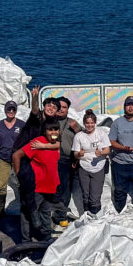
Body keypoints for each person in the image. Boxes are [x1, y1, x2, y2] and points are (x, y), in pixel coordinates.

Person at [14, 120, 62, 241]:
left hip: (51, 186)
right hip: (37, 186)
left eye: (56, 129)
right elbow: (16, 155)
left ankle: (46, 236)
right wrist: (19, 174)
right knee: (28, 212)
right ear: (45, 132)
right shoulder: (38, 142)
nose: (53, 132)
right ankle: (25, 240)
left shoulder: (55, 144)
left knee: (45, 212)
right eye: (50, 130)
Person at [72, 110, 111, 214]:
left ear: (95, 123)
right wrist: (79, 154)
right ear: (84, 124)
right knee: (85, 195)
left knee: (95, 197)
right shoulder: (79, 136)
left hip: (98, 167)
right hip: (84, 167)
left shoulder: (101, 134)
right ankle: (86, 216)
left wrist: (101, 153)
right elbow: (75, 153)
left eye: (92, 123)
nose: (90, 125)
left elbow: (108, 150)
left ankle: (95, 218)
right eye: (87, 123)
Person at [52, 96, 81, 225]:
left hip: (67, 160)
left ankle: (60, 215)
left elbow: (86, 135)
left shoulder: (72, 123)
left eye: (64, 107)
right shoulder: (49, 122)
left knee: (65, 189)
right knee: (53, 188)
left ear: (68, 109)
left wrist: (76, 129)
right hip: (52, 159)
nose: (61, 110)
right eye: (59, 107)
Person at [0, 101, 23, 218]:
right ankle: (0, 211)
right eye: (9, 109)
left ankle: (24, 208)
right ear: (5, 110)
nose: (11, 112)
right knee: (1, 186)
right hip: (4, 159)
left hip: (18, 160)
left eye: (13, 109)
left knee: (21, 184)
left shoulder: (21, 124)